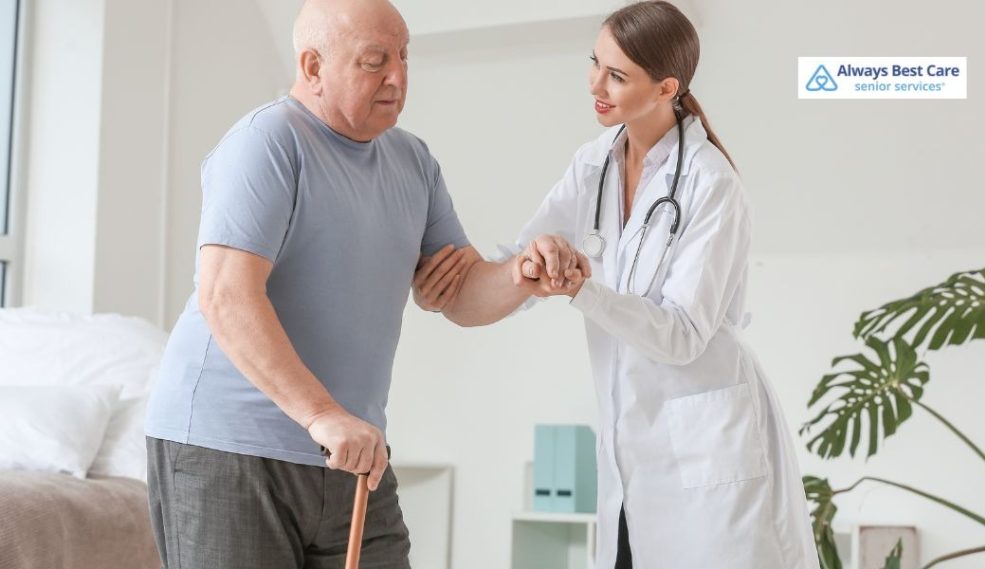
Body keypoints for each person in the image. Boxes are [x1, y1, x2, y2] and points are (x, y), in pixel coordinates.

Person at [415, 2, 818, 567]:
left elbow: (682, 334)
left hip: (708, 460)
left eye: (617, 76)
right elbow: (516, 269)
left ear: (666, 88)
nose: (594, 85)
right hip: (630, 462)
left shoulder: (711, 183)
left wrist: (582, 289)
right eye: (595, 63)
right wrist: (515, 271)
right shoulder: (593, 165)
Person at [142, 0, 489, 567]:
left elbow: (462, 292)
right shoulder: (267, 141)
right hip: (229, 445)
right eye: (375, 61)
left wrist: (527, 275)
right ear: (312, 67)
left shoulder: (414, 161)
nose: (397, 77)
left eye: (403, 57)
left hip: (350, 451)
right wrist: (322, 414)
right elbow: (226, 295)